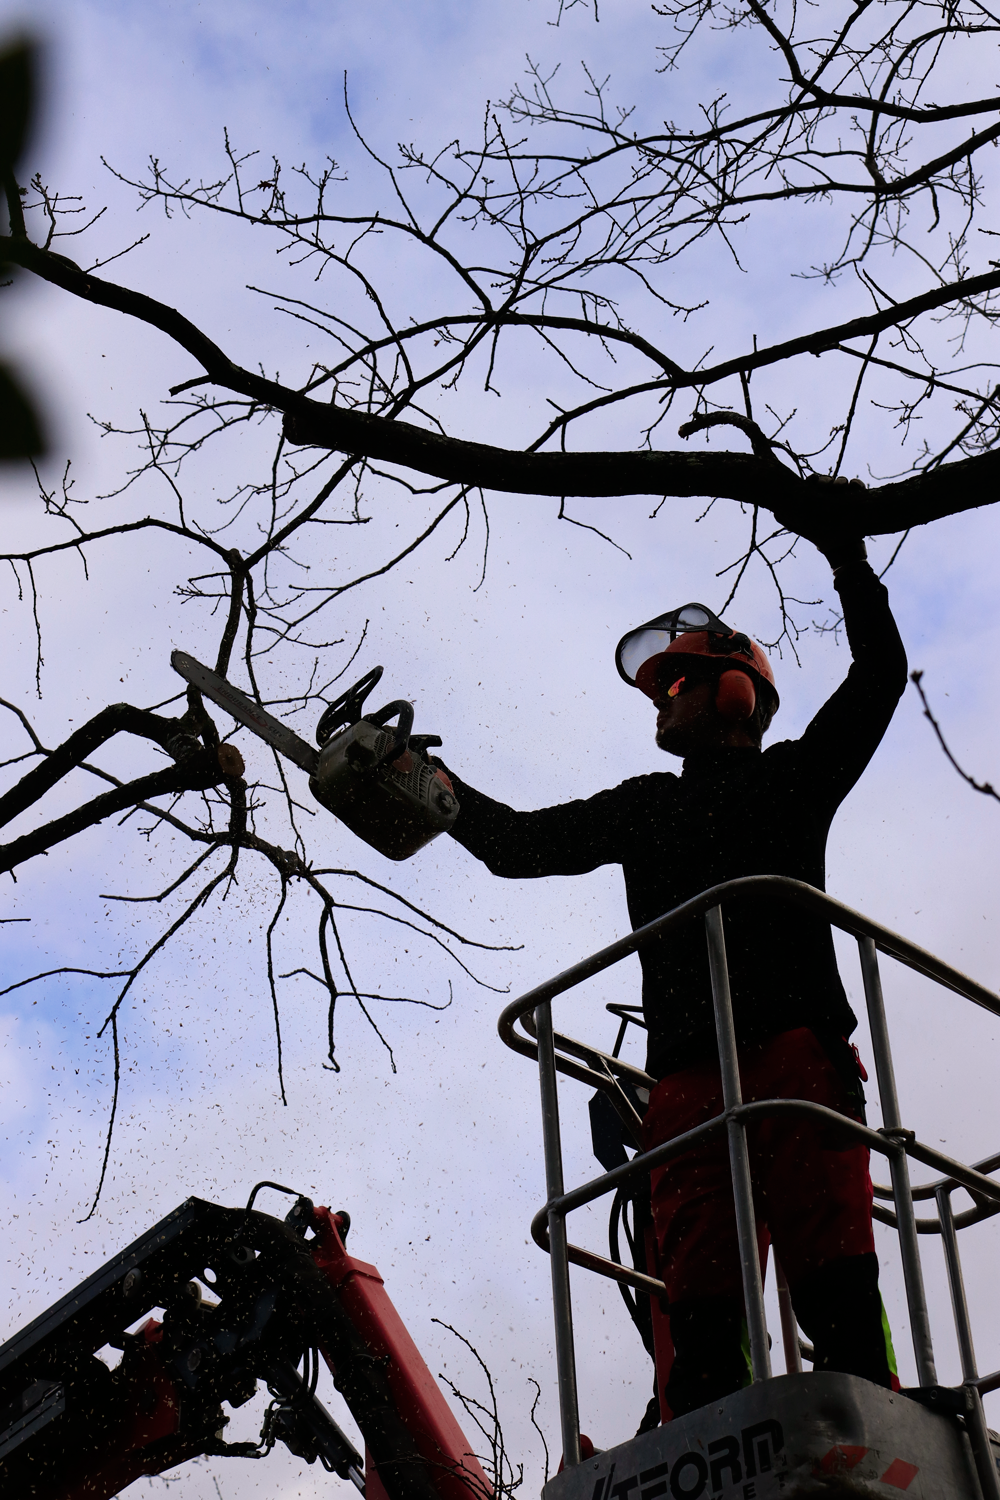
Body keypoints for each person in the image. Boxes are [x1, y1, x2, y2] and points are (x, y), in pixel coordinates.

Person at [439, 527, 908, 1420]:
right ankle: (707, 1441)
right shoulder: (644, 806)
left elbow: (880, 677)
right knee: (698, 1314)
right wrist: (430, 783)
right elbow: (517, 845)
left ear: (739, 694)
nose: (662, 700)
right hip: (686, 1084)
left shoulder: (797, 778)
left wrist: (847, 561)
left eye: (679, 683)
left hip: (799, 1056)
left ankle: (871, 1420)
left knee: (835, 1279)